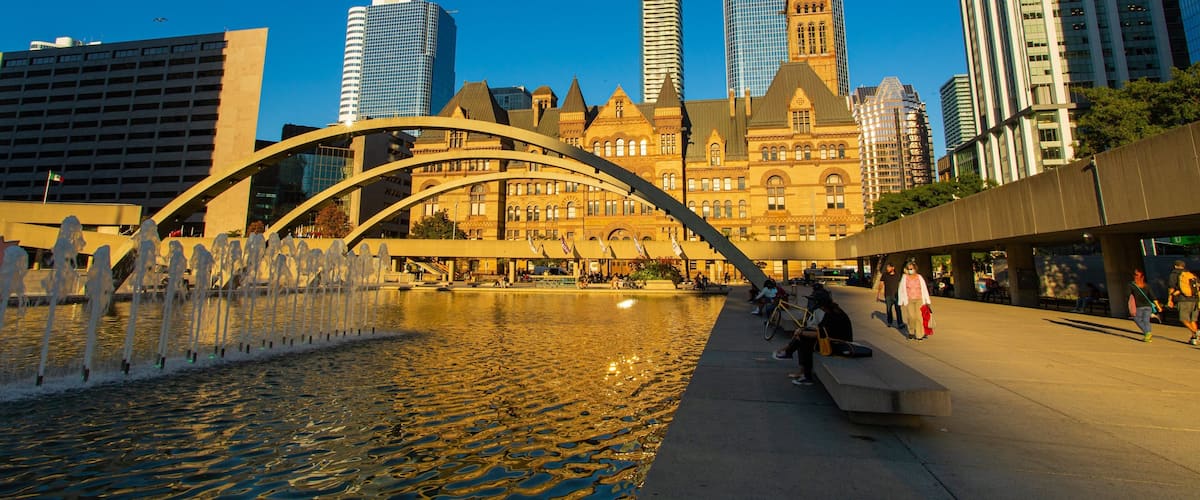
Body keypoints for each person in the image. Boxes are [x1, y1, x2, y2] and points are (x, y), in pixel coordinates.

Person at [771, 299, 853, 385]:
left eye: (821, 308)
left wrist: (802, 332)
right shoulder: (830, 312)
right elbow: (820, 328)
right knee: (802, 335)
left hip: (839, 344)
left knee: (805, 341)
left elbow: (822, 334)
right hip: (830, 339)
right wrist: (803, 330)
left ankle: (806, 375)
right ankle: (791, 356)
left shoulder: (836, 316)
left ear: (823, 306)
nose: (820, 310)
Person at [897, 261, 932, 340]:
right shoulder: (905, 277)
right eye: (909, 269)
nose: (910, 270)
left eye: (911, 268)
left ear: (915, 268)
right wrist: (900, 301)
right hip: (909, 300)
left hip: (919, 299)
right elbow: (901, 289)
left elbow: (924, 289)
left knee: (919, 317)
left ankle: (919, 334)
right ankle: (911, 331)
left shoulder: (919, 277)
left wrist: (927, 300)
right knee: (911, 317)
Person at [1167, 260, 1199, 345]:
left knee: (1183, 319)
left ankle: (1196, 332)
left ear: (1175, 266)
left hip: (1183, 300)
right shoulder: (1190, 274)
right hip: (1194, 299)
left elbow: (1171, 288)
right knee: (1192, 320)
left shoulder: (1174, 274)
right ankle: (1194, 339)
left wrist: (1170, 300)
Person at [1128, 268, 1162, 343]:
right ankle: (1148, 334)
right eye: (1135, 275)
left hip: (1140, 306)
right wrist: (1158, 306)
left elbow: (1128, 295)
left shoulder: (1132, 285)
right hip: (1147, 306)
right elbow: (1153, 297)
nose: (1135, 276)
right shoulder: (1146, 286)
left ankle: (1147, 333)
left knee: (1137, 319)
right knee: (1146, 321)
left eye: (1136, 275)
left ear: (1141, 277)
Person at [874, 263, 904, 328]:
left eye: (889, 267)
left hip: (896, 295)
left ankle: (900, 323)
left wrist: (903, 296)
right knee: (888, 309)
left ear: (893, 268)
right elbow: (881, 284)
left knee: (898, 309)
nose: (887, 269)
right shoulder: (884, 275)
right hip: (888, 295)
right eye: (887, 267)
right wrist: (878, 294)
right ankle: (889, 322)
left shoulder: (897, 275)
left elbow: (901, 285)